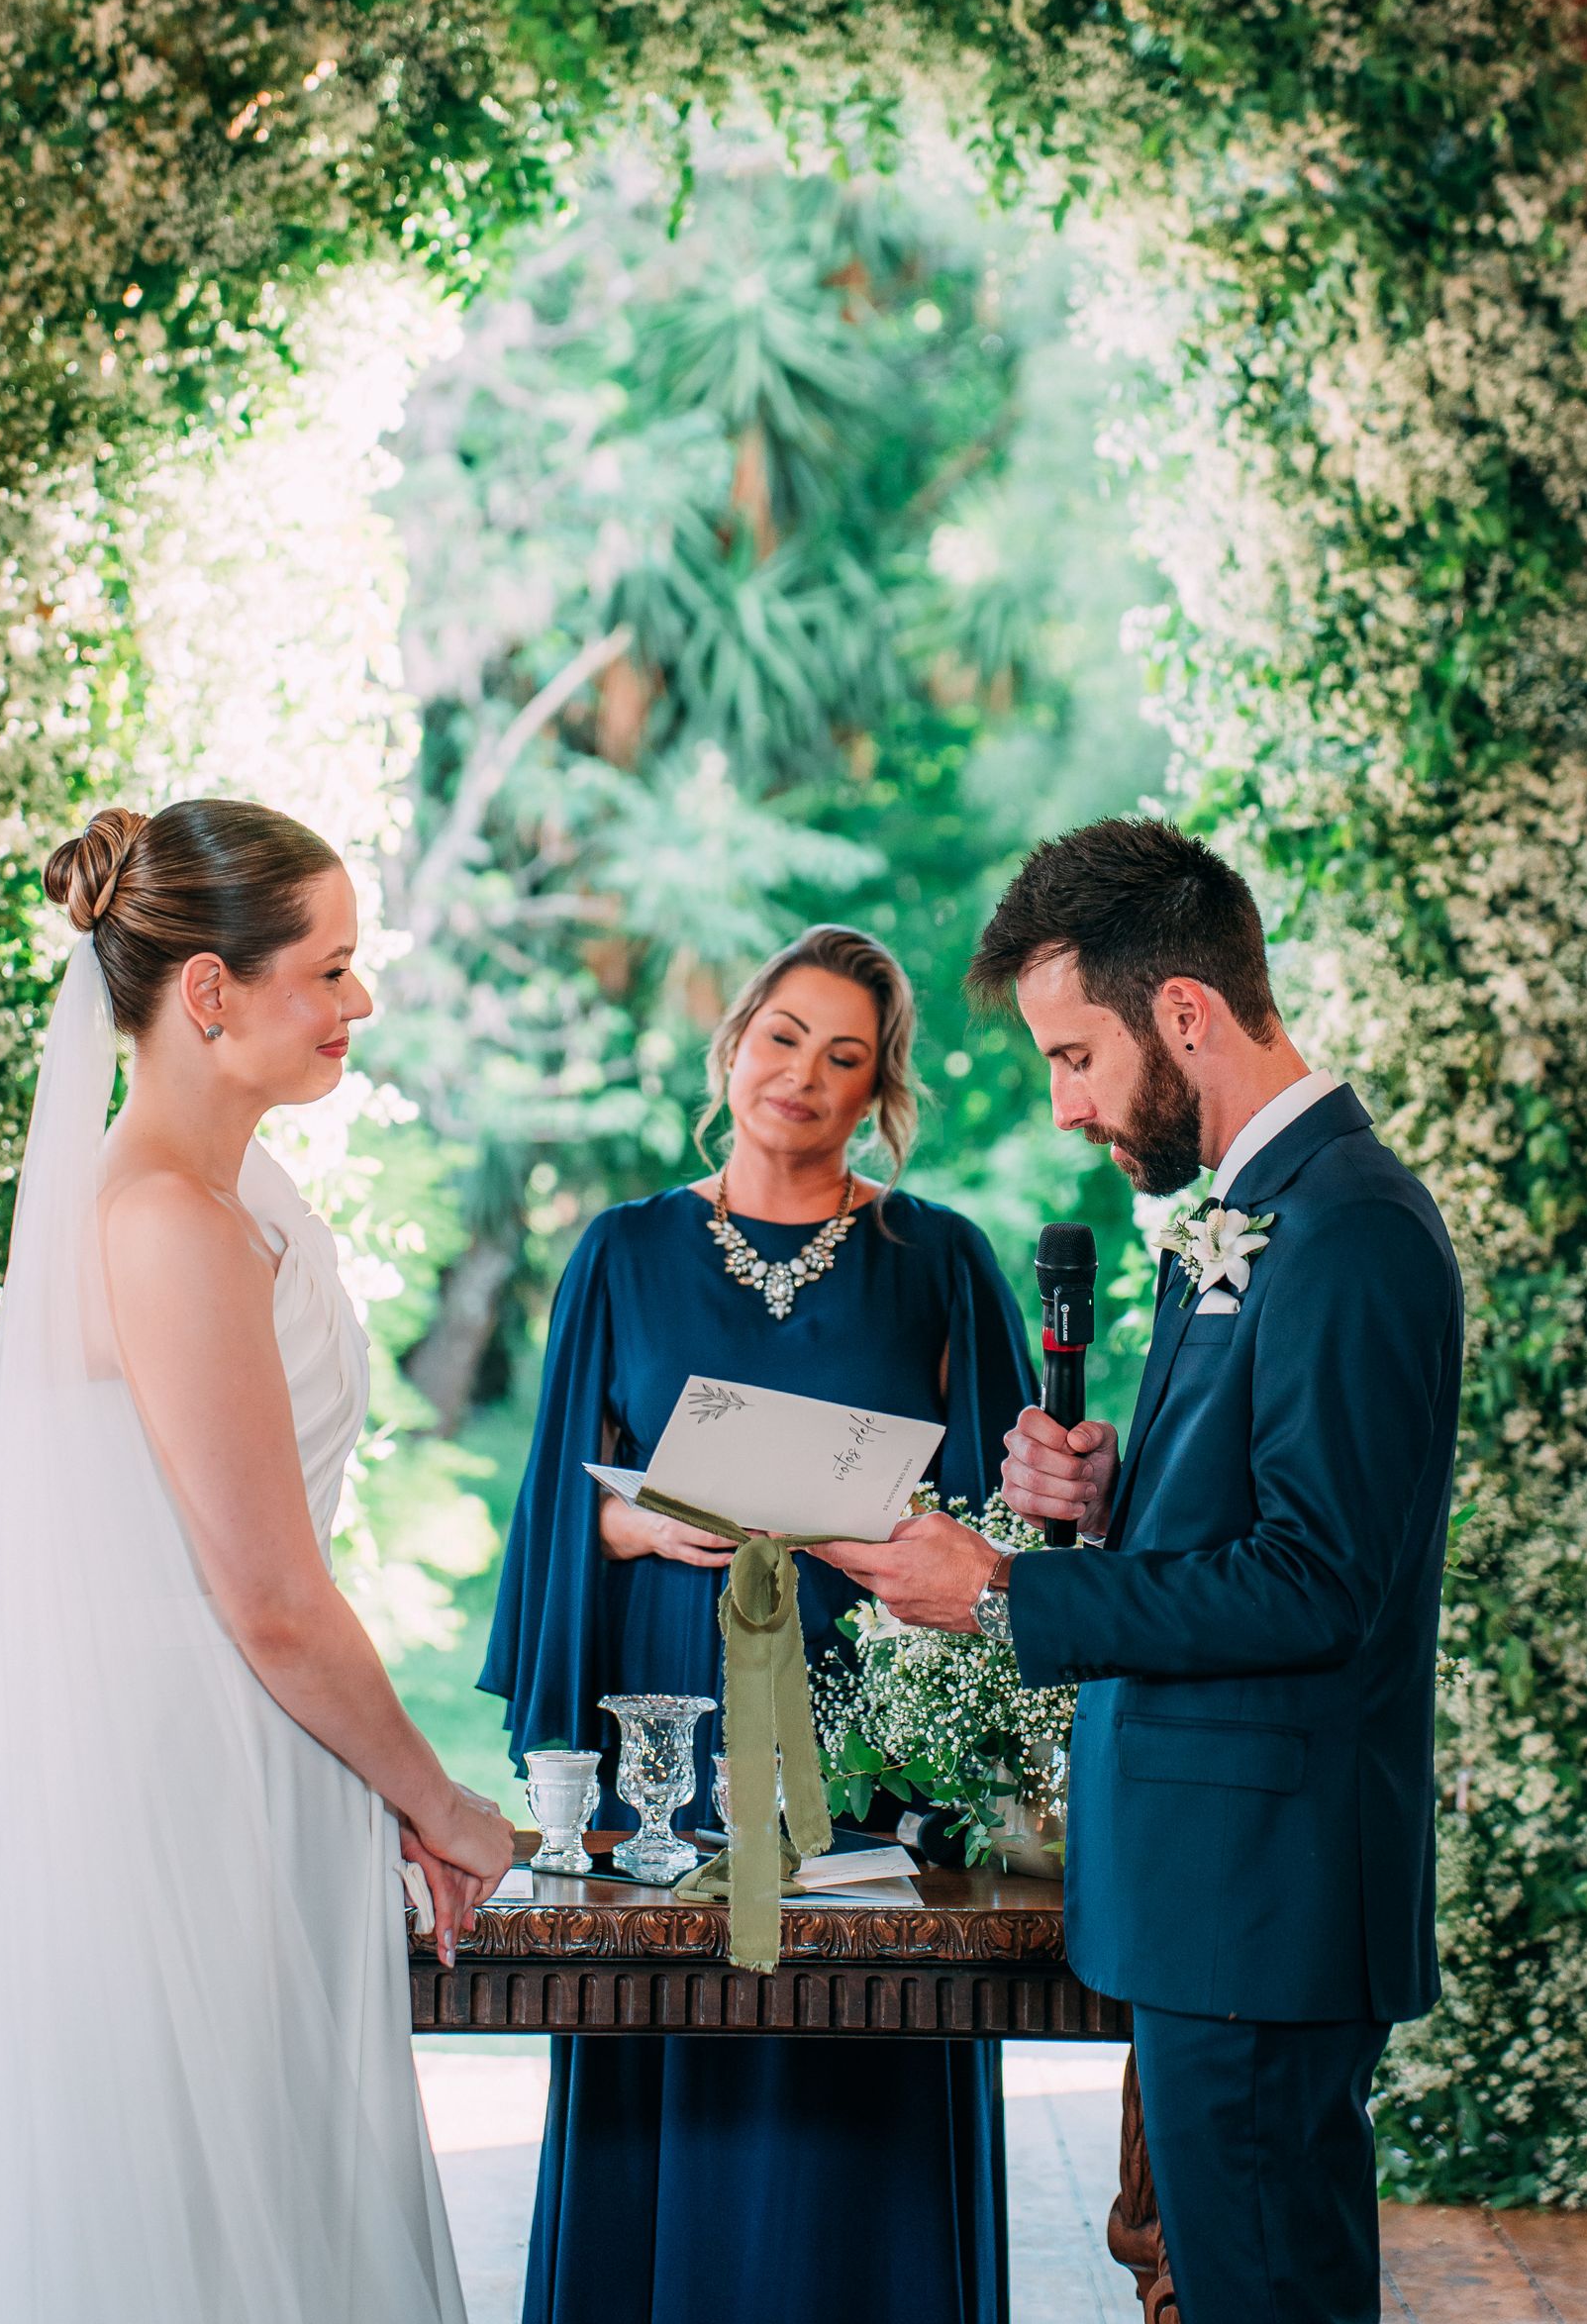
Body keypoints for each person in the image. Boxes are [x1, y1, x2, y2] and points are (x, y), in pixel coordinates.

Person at [0, 798, 513, 2324]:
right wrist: (442, 1801)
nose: (358, 1002)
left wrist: (368, 1782)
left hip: (254, 1767)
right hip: (189, 1790)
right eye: (326, 970)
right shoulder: (166, 1219)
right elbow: (265, 1599)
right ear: (210, 992)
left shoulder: (228, 1193)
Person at [817, 820, 1463, 2324]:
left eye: (1074, 1057)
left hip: (1268, 1897)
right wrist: (1112, 1506)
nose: (1064, 1108)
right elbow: (1256, 1531)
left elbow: (1318, 1589)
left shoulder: (1350, 1230)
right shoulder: (1244, 1217)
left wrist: (1005, 1591)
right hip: (1214, 1892)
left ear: (1183, 1013)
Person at [480, 923, 1036, 2324]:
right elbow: (555, 1501)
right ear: (733, 1046)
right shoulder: (620, 1252)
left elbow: (998, 1526)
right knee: (681, 2018)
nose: (802, 1073)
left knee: (865, 2041)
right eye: (783, 1037)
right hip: (673, 1694)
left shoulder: (943, 1263)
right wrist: (621, 1524)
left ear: (878, 1095)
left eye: (845, 1057)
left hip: (862, 1713)